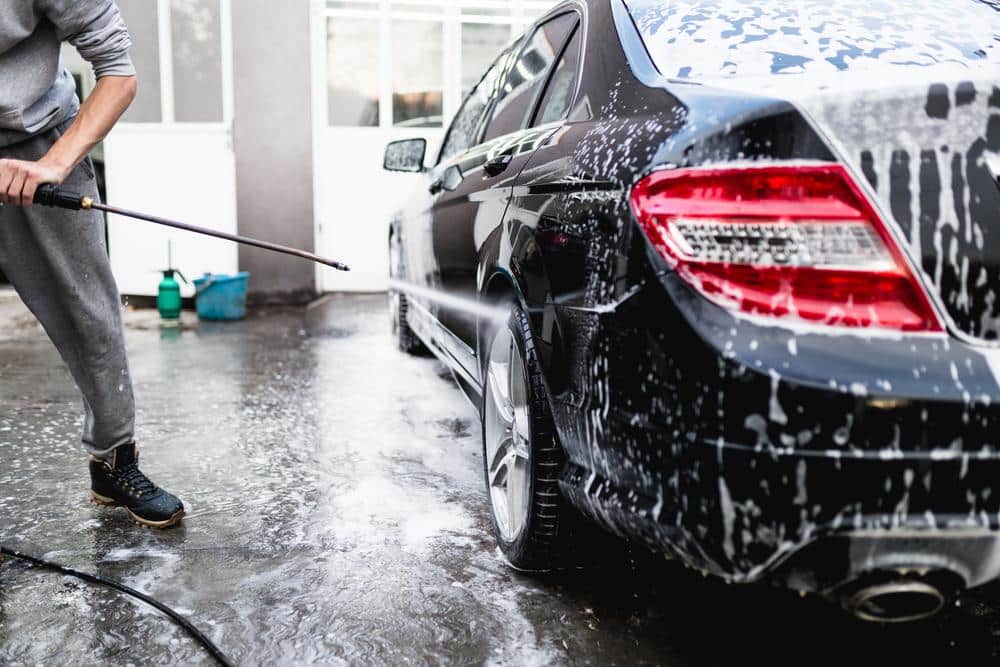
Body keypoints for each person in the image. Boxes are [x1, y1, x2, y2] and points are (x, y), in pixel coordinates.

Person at [0, 1, 184, 528]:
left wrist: (55, 163)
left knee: (91, 316)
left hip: (41, 140)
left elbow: (119, 75)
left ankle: (113, 462)